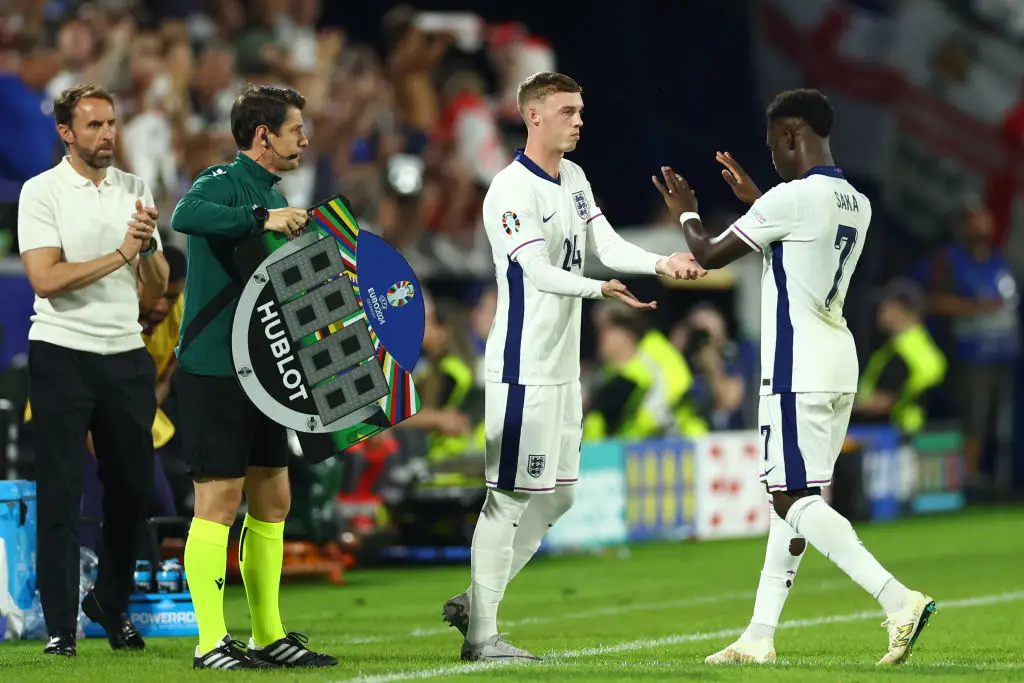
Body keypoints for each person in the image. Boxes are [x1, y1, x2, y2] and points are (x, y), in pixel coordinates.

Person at [652, 89, 935, 666]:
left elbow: (705, 254)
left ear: (790, 136)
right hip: (838, 360)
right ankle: (759, 635)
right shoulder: (856, 201)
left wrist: (686, 207)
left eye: (773, 147)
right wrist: (759, 199)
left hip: (795, 366)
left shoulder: (790, 199)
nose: (773, 158)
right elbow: (796, 245)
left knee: (789, 497)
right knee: (797, 499)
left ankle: (897, 598)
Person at [441, 71, 706, 662]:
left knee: (557, 497)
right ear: (532, 116)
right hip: (522, 367)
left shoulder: (576, 179)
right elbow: (535, 270)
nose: (579, 119)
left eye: (581, 110)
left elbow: (604, 244)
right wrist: (598, 291)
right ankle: (483, 638)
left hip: (562, 369)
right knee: (506, 498)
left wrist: (663, 261)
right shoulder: (509, 190)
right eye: (566, 110)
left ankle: (476, 602)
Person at [169, 84, 336, 670]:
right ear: (263, 136)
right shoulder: (222, 182)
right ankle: (211, 643)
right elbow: (184, 215)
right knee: (217, 500)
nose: (305, 139)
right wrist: (264, 217)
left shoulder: (274, 193)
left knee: (274, 499)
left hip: (263, 373)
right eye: (295, 129)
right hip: (214, 369)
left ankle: (269, 635)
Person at [18, 83, 169, 657]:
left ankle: (111, 603)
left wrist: (148, 249)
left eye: (112, 123)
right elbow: (46, 280)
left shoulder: (135, 187)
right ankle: (60, 625)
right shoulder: (42, 192)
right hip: (62, 352)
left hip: (125, 353)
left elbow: (153, 286)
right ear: (66, 133)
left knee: (132, 491)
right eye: (94, 125)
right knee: (60, 493)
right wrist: (123, 254)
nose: (107, 135)